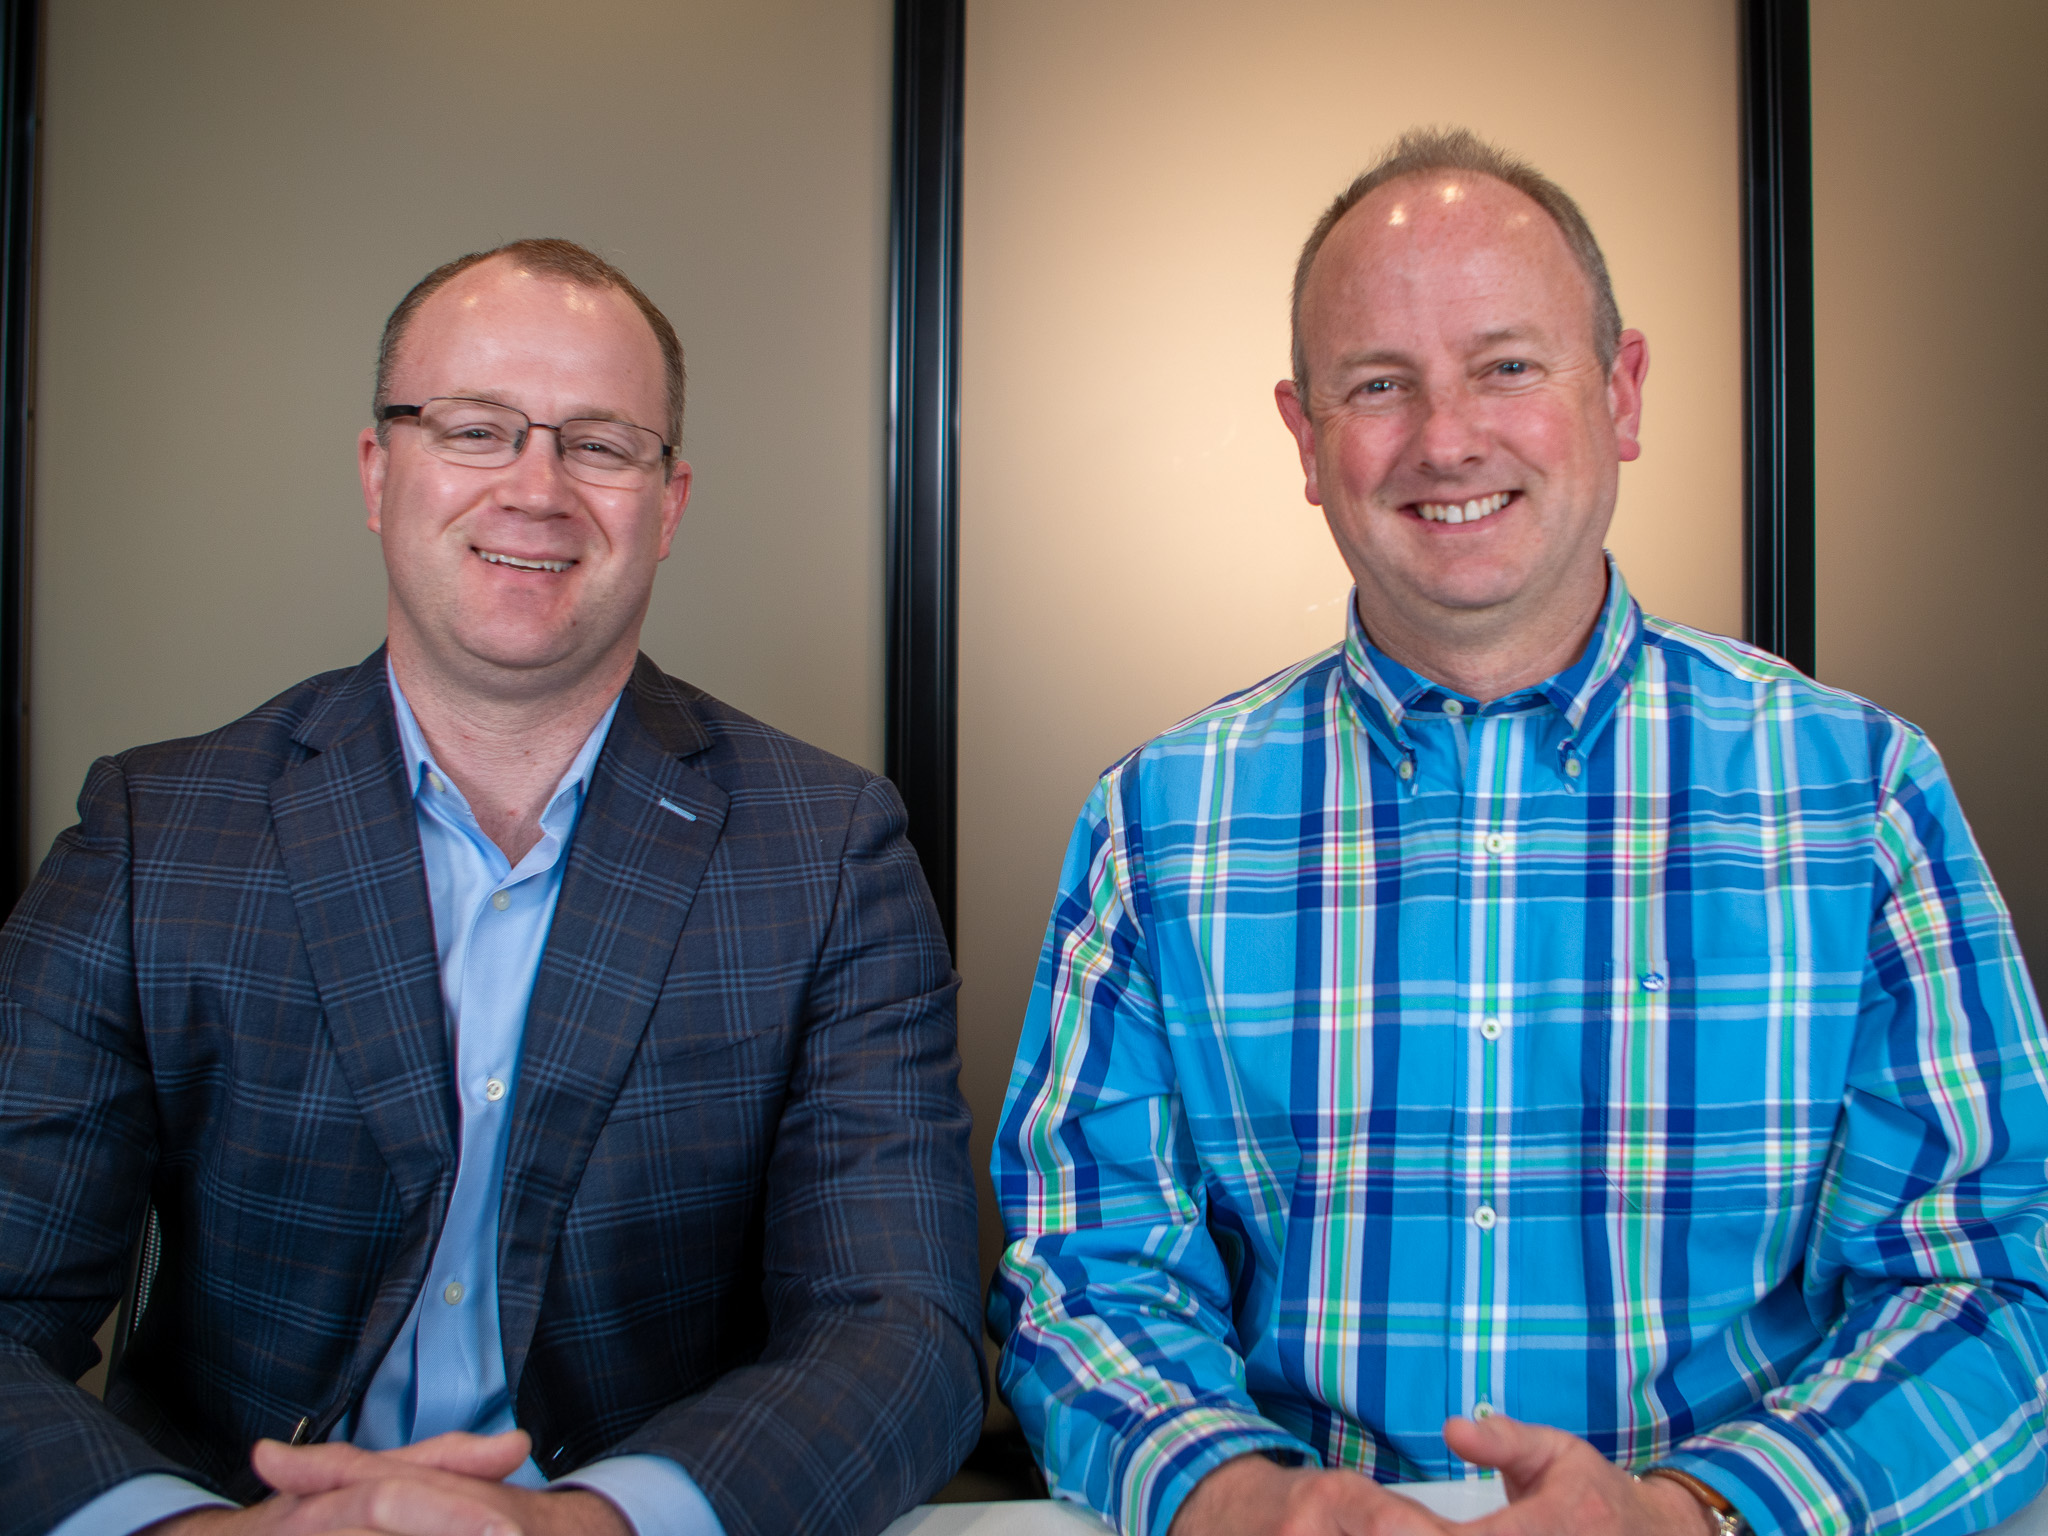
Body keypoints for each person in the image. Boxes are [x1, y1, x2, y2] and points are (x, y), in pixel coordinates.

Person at [987, 129, 2048, 1536]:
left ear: (1622, 392)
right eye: (1380, 384)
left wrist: (1694, 1514)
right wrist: (1244, 1500)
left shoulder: (1862, 795)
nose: (1447, 440)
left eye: (1507, 366)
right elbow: (1083, 1274)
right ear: (1305, 440)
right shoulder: (1157, 824)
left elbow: (1991, 1284)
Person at [0, 239, 983, 1536]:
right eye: (475, 429)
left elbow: (902, 1332)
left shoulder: (831, 851)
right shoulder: (154, 832)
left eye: (600, 445)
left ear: (669, 504)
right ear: (378, 471)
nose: (536, 490)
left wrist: (590, 1522)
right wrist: (195, 1534)